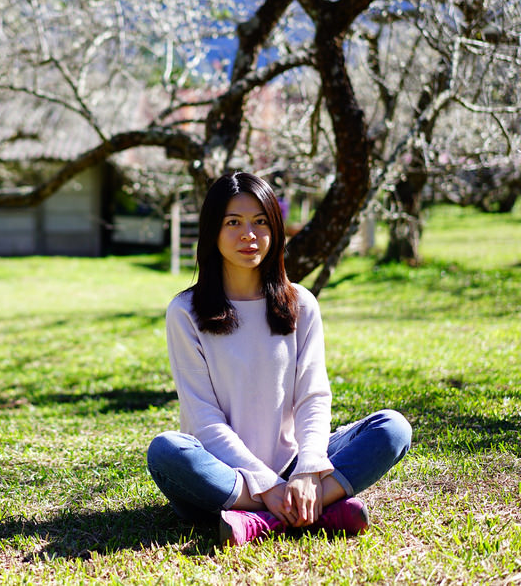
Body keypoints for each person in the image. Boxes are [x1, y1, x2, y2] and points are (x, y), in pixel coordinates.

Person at [147, 171, 411, 546]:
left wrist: (307, 469)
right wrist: (267, 484)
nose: (249, 235)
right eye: (233, 222)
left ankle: (261, 520)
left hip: (292, 461)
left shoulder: (300, 303)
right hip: (224, 474)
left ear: (276, 229)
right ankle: (319, 508)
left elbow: (312, 397)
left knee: (393, 428)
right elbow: (204, 420)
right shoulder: (185, 311)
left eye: (260, 222)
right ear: (212, 232)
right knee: (166, 452)